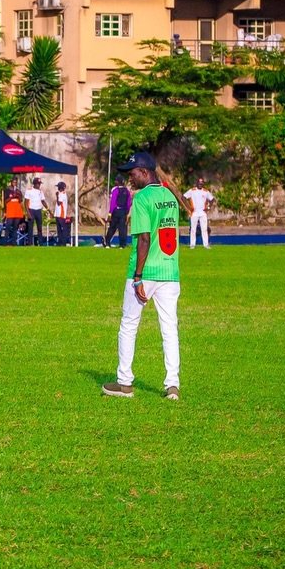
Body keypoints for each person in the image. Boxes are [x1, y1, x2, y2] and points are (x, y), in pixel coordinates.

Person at [103, 151, 181, 401]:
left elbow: (145, 238)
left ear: (145, 172)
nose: (130, 178)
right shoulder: (169, 195)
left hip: (146, 271)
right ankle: (172, 385)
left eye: (133, 173)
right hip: (170, 270)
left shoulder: (142, 198)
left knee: (129, 324)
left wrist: (138, 277)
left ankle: (124, 383)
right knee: (169, 328)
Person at [183, 178, 214, 249]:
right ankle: (192, 245)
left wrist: (208, 207)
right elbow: (183, 197)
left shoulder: (205, 192)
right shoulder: (192, 191)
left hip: (203, 213)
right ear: (197, 183)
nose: (200, 184)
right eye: (199, 183)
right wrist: (189, 207)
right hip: (194, 212)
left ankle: (206, 245)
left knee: (204, 229)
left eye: (202, 183)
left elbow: (212, 199)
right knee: (193, 229)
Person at [104, 179, 131, 248]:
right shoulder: (127, 191)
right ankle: (122, 245)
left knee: (112, 227)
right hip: (123, 211)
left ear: (117, 182)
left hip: (116, 211)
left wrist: (110, 212)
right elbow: (129, 203)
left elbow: (113, 202)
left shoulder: (116, 190)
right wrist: (127, 212)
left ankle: (107, 243)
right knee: (123, 229)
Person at [23, 178, 47, 246]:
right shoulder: (29, 191)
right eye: (38, 184)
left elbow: (43, 201)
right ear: (34, 184)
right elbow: (26, 202)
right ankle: (30, 243)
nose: (39, 185)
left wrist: (48, 209)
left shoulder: (40, 191)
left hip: (38, 210)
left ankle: (40, 242)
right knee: (30, 228)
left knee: (40, 228)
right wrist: (28, 213)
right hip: (31, 210)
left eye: (40, 184)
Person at [53, 181, 72, 246]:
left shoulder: (62, 194)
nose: (57, 188)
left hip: (61, 214)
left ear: (61, 187)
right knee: (59, 229)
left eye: (58, 187)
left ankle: (63, 242)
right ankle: (60, 242)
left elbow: (59, 203)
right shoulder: (61, 194)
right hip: (58, 214)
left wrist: (57, 196)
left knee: (63, 229)